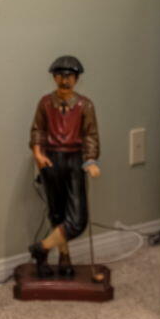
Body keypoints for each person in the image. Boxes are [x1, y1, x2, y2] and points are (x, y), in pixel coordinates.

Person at [28, 54, 101, 278]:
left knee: (77, 219)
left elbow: (90, 135)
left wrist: (90, 159)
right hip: (51, 160)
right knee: (57, 213)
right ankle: (63, 257)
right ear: (54, 77)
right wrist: (38, 153)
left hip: (74, 160)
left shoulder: (84, 105)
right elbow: (38, 131)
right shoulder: (45, 103)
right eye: (60, 76)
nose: (64, 80)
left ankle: (42, 247)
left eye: (69, 76)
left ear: (76, 79)